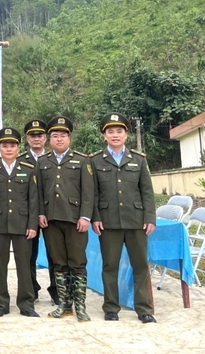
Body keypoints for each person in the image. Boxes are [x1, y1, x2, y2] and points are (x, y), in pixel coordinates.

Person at [91, 113, 156, 323]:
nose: (115, 135)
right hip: (108, 222)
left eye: (119, 131)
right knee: (110, 266)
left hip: (136, 221)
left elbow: (147, 191)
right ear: (104, 135)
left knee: (140, 266)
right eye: (110, 131)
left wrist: (150, 218)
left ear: (126, 134)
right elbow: (93, 193)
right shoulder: (95, 160)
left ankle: (144, 309)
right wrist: (96, 217)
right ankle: (111, 308)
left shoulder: (139, 159)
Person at [36, 116, 94, 322]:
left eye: (62, 135)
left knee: (77, 263)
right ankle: (64, 304)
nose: (59, 139)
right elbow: (38, 191)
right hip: (51, 219)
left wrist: (85, 216)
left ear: (69, 138)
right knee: (59, 263)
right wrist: (41, 213)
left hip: (75, 219)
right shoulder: (43, 162)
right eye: (54, 136)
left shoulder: (82, 160)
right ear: (49, 139)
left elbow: (89, 192)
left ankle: (81, 306)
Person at [0, 127, 39, 318]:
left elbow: (34, 201)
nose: (8, 149)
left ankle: (26, 304)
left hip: (22, 224)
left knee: (24, 265)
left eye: (12, 145)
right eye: (5, 145)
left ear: (18, 147)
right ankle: (1, 303)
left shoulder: (29, 169)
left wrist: (32, 225)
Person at [18, 119, 58, 305]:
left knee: (54, 255)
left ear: (46, 138)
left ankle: (57, 291)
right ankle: (31, 290)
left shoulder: (53, 159)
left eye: (40, 135)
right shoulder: (19, 161)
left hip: (51, 215)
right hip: (27, 216)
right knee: (29, 255)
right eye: (32, 136)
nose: (36, 139)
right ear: (27, 138)